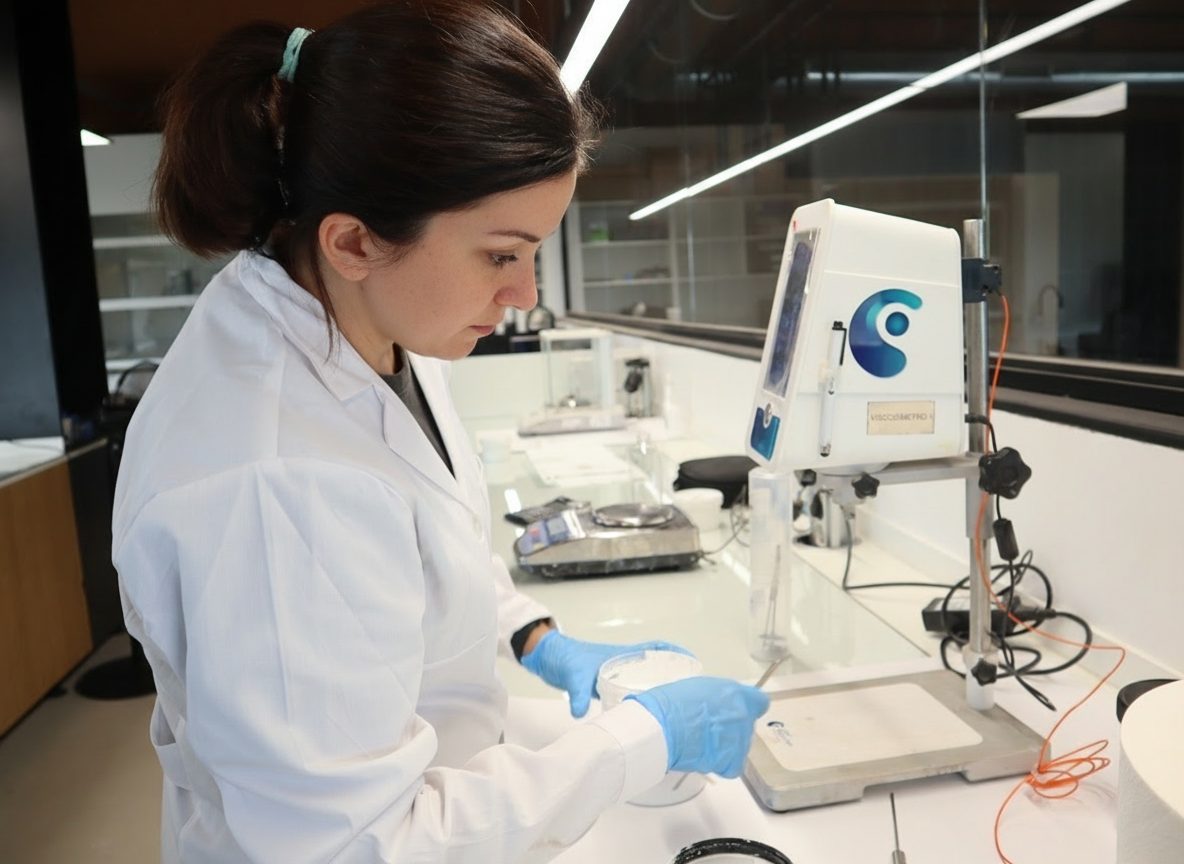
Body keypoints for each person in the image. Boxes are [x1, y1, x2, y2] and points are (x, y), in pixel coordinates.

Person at [112, 3, 769, 862]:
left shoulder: (362, 321)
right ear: (353, 240)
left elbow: (428, 540)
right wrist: (636, 741)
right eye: (502, 254)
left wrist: (538, 638)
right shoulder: (276, 483)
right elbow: (359, 846)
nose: (526, 293)